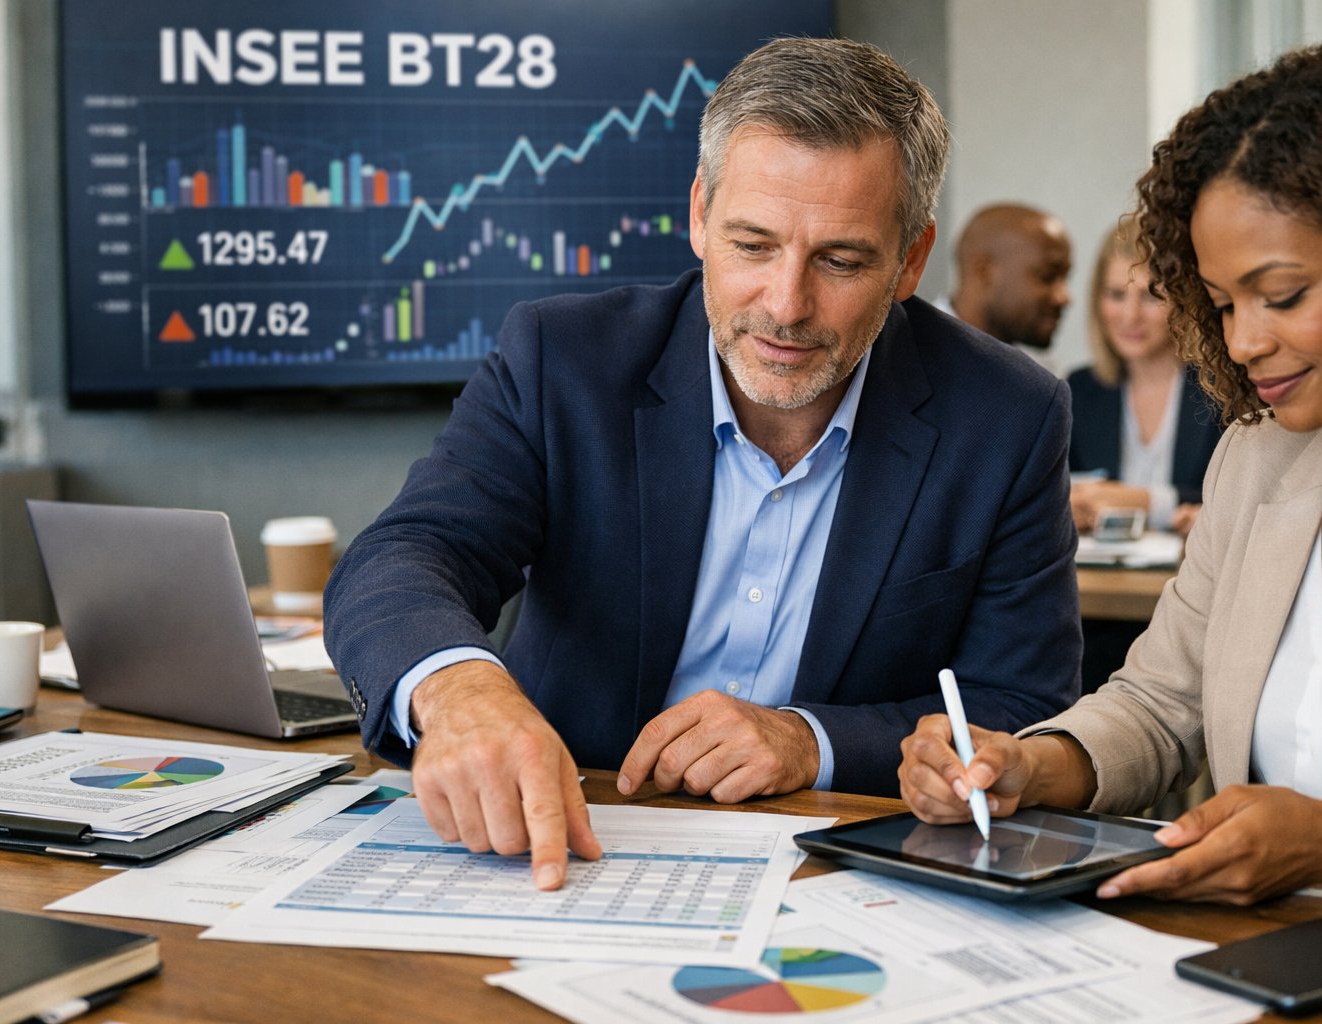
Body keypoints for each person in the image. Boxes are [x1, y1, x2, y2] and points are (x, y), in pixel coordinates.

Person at [326, 37, 1081, 891]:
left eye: (840, 260)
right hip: (556, 840)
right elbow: (404, 555)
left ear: (910, 260)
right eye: (752, 245)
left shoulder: (1008, 415)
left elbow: (1022, 704)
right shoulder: (562, 360)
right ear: (699, 215)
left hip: (832, 871)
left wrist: (810, 741)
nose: (785, 307)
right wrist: (462, 692)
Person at [899, 39, 1322, 907]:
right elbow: (1160, 703)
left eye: (1283, 295)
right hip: (1264, 953)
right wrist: (1028, 764)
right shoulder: (1261, 458)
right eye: (1223, 303)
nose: (1242, 342)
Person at [1067, 223, 1224, 537]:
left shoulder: (1221, 388)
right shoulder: (1080, 389)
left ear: (1183, 300)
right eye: (1116, 295)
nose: (1130, 316)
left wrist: (1144, 501)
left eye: (1151, 296)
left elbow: (1235, 499)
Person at [938, 203, 1072, 375]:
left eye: (1064, 278)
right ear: (984, 271)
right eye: (1047, 277)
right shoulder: (913, 355)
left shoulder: (1042, 371)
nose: (1063, 297)